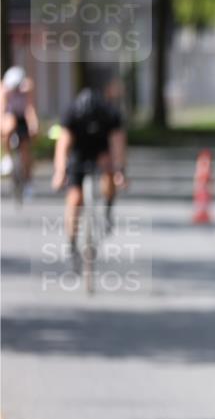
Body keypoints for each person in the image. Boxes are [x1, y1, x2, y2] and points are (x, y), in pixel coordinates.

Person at [51, 83, 128, 269]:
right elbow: (62, 146)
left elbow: (118, 145)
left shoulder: (110, 115)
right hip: (79, 152)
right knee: (75, 199)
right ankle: (71, 243)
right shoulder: (72, 114)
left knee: (110, 172)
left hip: (102, 149)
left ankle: (108, 208)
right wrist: (60, 173)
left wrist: (119, 171)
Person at [1, 66, 40, 191]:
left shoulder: (27, 89)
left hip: (22, 117)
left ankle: (28, 179)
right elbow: (2, 111)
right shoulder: (4, 90)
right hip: (10, 116)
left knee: (25, 150)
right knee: (9, 125)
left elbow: (30, 109)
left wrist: (34, 124)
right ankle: (8, 157)